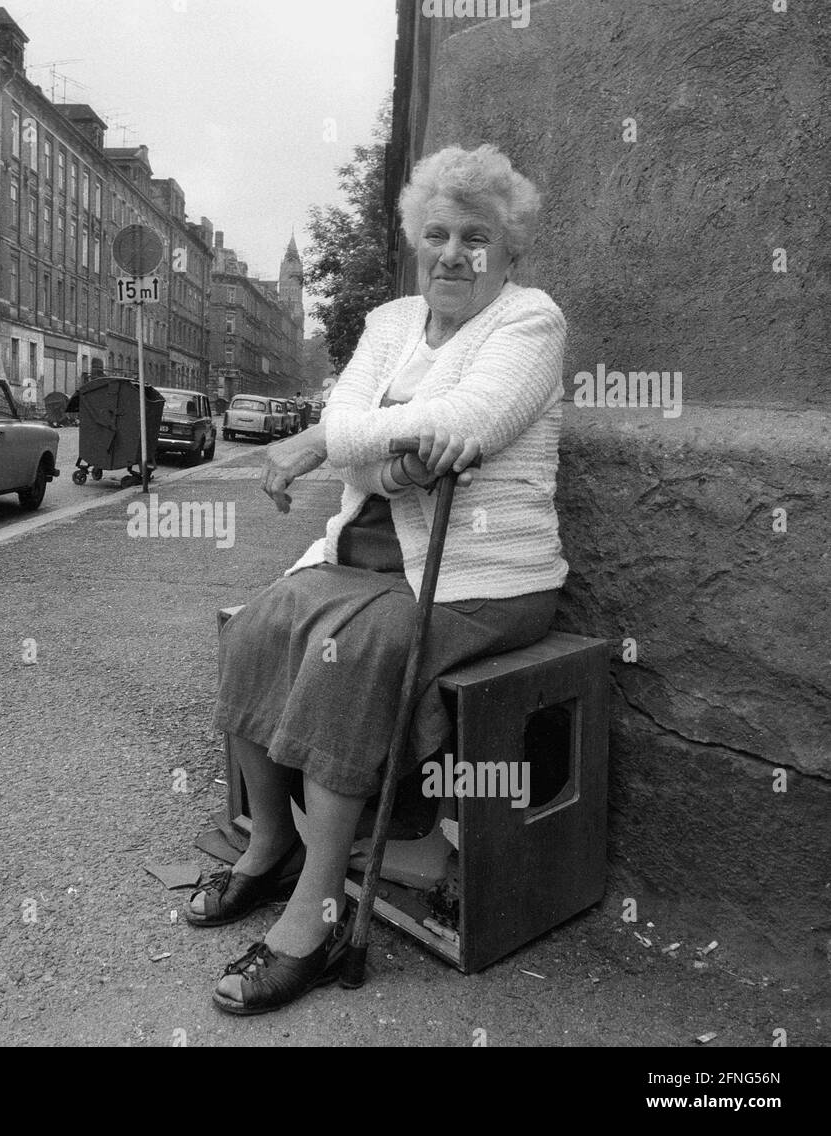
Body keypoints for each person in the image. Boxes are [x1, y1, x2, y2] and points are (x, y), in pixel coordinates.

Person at [191, 144, 569, 1015]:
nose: (452, 252)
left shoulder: (529, 323)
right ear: (415, 241)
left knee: (347, 656)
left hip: (480, 574)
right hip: (363, 556)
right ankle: (270, 844)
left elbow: (469, 419)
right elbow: (346, 415)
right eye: (436, 232)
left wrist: (347, 439)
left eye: (475, 236)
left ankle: (316, 914)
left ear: (507, 250)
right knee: (257, 626)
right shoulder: (392, 321)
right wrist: (374, 441)